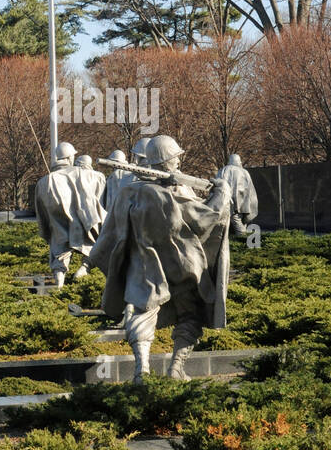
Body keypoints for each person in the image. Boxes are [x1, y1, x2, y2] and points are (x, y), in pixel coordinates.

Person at [90, 134, 231, 382]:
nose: (178, 162)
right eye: (175, 158)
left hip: (142, 269)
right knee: (191, 314)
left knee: (141, 314)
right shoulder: (173, 193)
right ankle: (176, 367)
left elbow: (109, 235)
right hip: (181, 268)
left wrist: (93, 262)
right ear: (166, 161)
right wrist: (222, 193)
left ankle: (141, 370)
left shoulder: (127, 193)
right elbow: (204, 218)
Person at [34, 141, 103, 286]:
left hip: (57, 219)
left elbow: (41, 212)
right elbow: (99, 183)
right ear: (70, 157)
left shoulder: (44, 181)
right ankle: (85, 267)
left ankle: (59, 282)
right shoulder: (84, 174)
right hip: (81, 220)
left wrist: (47, 228)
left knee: (59, 247)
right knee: (94, 241)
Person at [216, 153, 258, 236]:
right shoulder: (245, 172)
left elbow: (219, 184)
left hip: (230, 201)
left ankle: (242, 239)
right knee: (241, 220)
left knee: (235, 220)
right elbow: (251, 188)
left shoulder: (224, 170)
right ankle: (241, 240)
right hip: (244, 202)